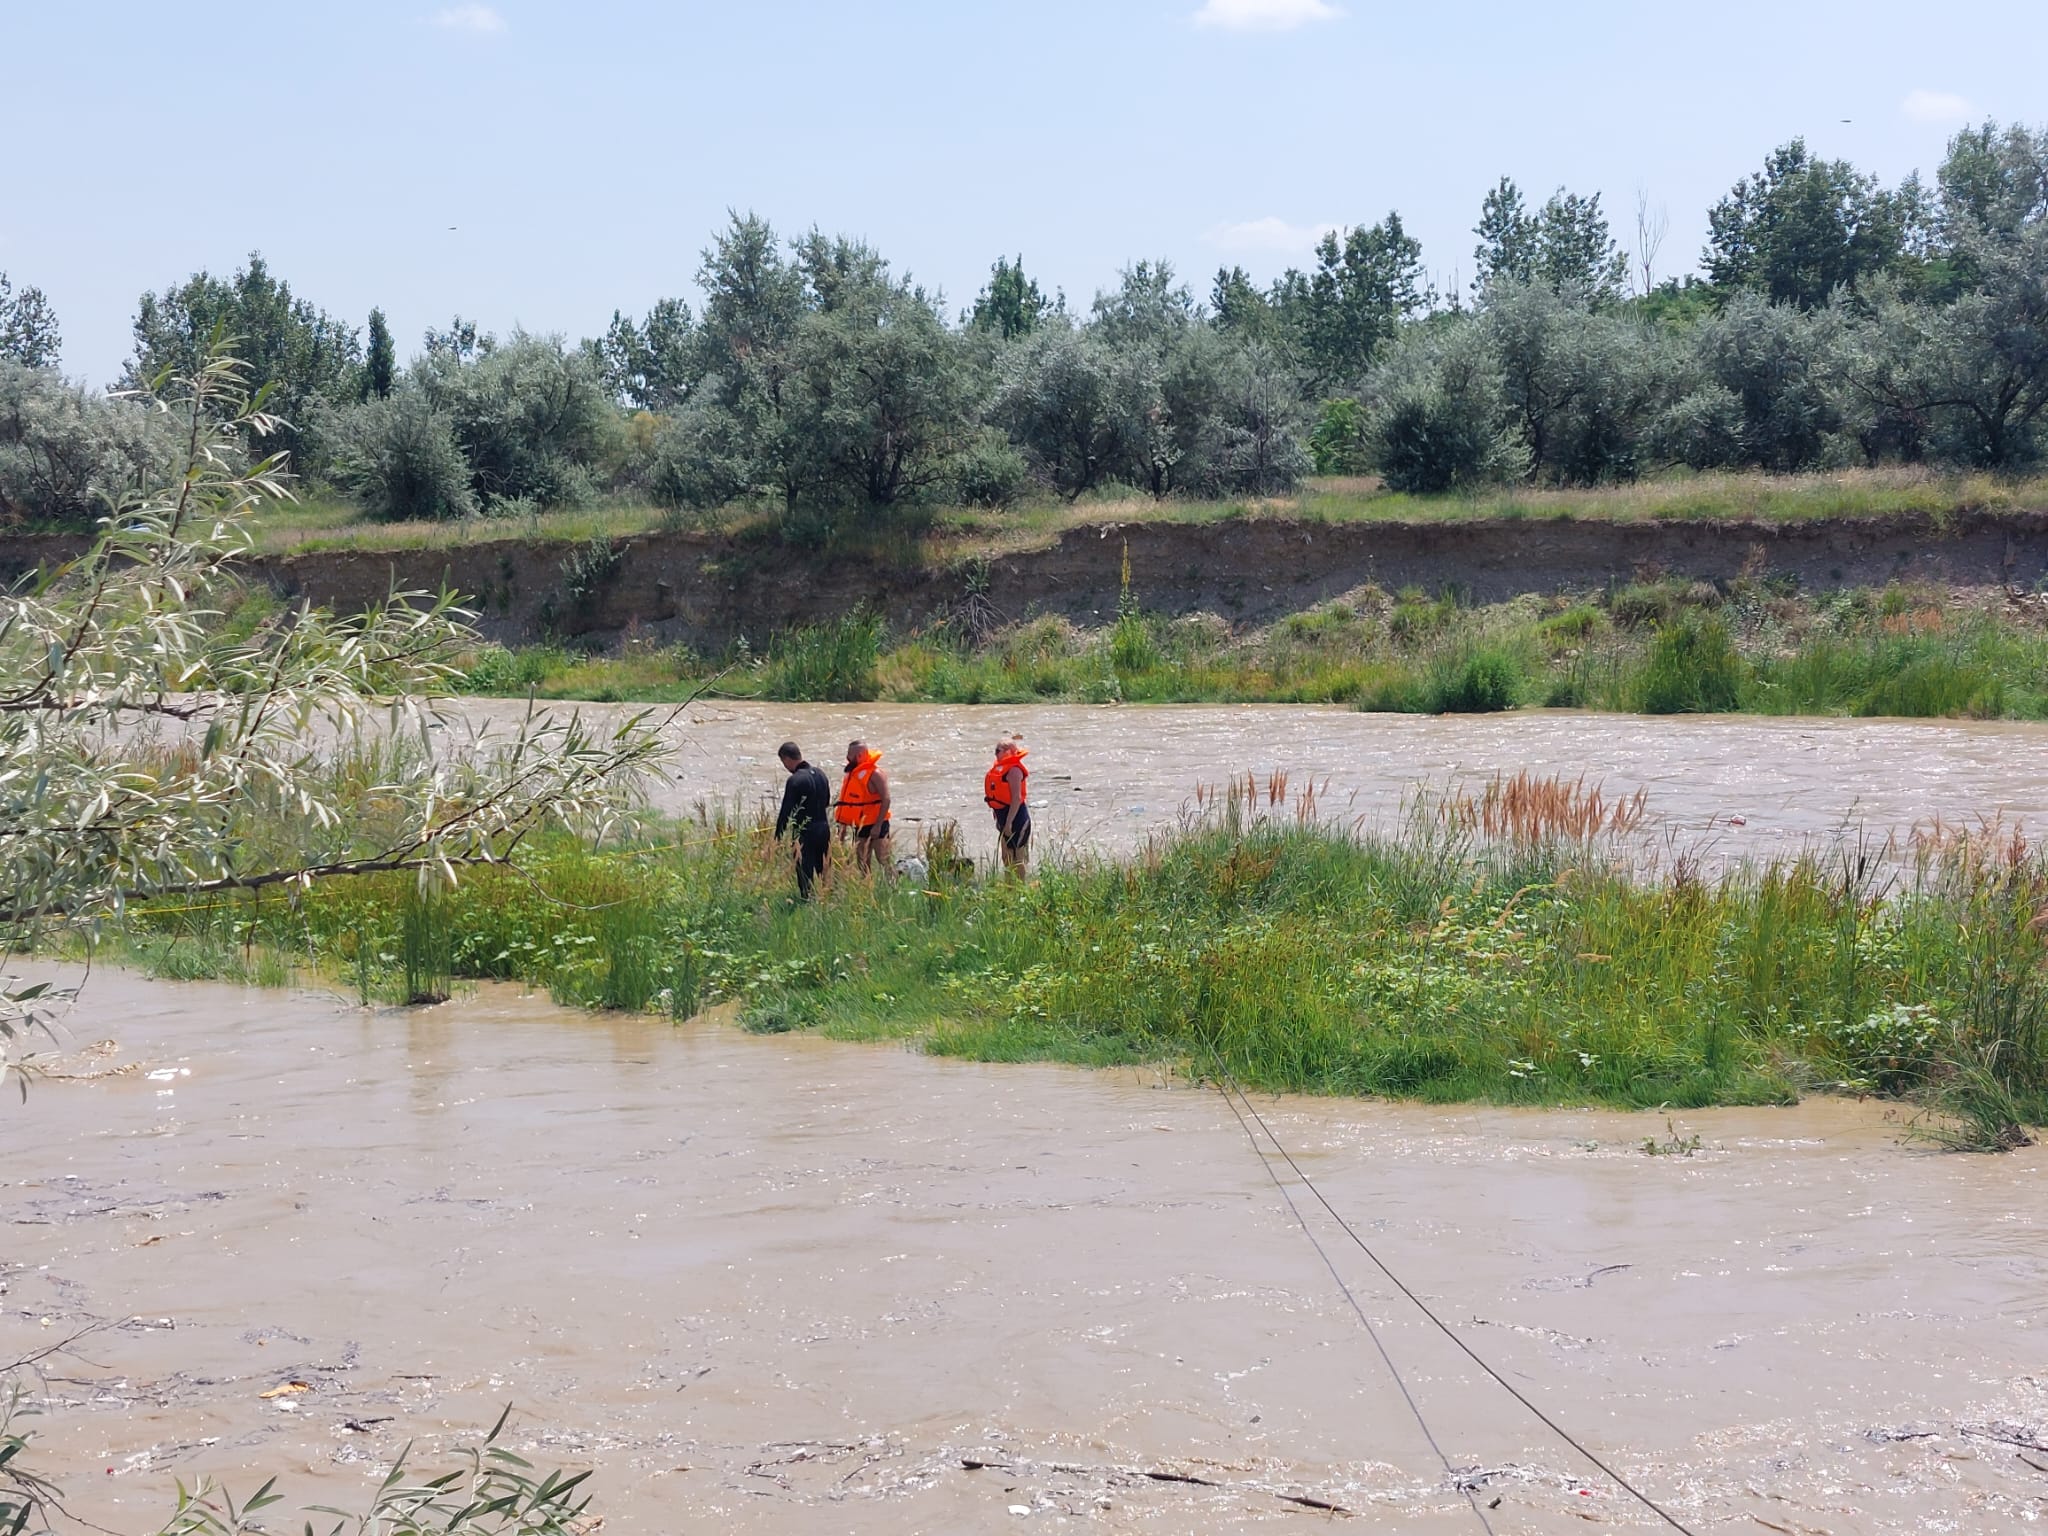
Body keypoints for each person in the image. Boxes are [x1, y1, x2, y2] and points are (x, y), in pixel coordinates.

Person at [773, 741, 832, 900]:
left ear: (786, 759)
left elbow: (786, 811)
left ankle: (806, 899)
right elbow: (827, 801)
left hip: (805, 831)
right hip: (823, 827)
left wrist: (778, 836)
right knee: (824, 867)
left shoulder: (795, 780)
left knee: (804, 869)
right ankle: (827, 898)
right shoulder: (820, 774)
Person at [835, 739, 892, 874]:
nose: (847, 758)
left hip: (877, 823)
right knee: (862, 863)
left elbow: (886, 799)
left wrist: (878, 825)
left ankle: (893, 884)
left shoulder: (875, 774)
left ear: (860, 755)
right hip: (861, 824)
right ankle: (867, 885)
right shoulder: (852, 774)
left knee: (883, 860)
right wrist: (843, 827)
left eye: (850, 755)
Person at [984, 736, 1030, 875]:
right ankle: (1009, 886)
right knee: (1006, 857)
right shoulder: (999, 769)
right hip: (1003, 816)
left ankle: (1021, 886)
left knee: (1018, 858)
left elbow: (1016, 798)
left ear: (1008, 752)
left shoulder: (1014, 771)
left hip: (1016, 818)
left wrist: (1009, 823)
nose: (995, 754)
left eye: (998, 751)